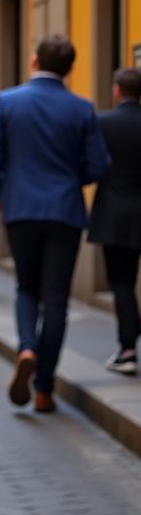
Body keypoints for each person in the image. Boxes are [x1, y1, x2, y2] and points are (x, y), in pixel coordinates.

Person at [0, 34, 109, 413]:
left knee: (26, 287)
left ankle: (26, 347)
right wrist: (71, 182)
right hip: (65, 210)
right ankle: (43, 389)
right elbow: (99, 165)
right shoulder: (82, 109)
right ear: (70, 68)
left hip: (20, 208)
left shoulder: (6, 102)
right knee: (56, 298)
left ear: (34, 61)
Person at [87, 67, 141, 375]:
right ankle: (131, 333)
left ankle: (128, 349)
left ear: (117, 90)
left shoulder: (102, 122)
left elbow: (93, 164)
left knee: (121, 281)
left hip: (114, 213)